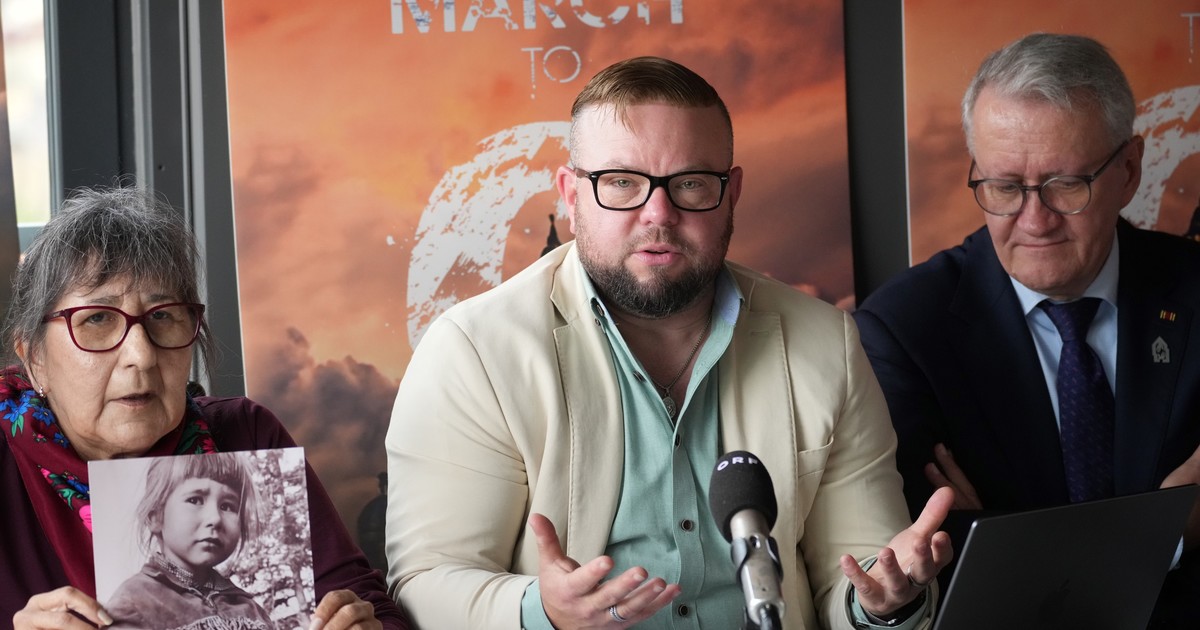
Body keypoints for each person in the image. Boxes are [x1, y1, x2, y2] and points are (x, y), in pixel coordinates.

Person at [386, 56, 954, 629]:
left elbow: (858, 575)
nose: (658, 214)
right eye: (621, 182)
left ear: (731, 193)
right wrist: (543, 612)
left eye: (690, 183)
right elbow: (425, 584)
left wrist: (879, 606)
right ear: (571, 195)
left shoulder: (826, 343)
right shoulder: (472, 351)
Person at [853, 33, 1200, 626]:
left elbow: (983, 558)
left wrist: (1002, 537)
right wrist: (1173, 525)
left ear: (1129, 170)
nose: (1034, 221)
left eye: (1065, 184)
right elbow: (935, 563)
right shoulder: (903, 330)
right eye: (1005, 187)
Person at [0, 185, 411, 630]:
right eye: (97, 318)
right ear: (34, 357)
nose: (141, 355)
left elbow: (373, 607)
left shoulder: (247, 435)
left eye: (162, 315)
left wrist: (361, 624)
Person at [105, 453, 275, 629]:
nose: (215, 518)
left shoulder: (251, 611)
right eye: (195, 500)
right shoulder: (134, 605)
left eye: (227, 506)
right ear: (155, 517)